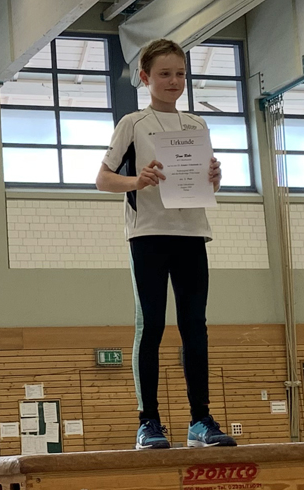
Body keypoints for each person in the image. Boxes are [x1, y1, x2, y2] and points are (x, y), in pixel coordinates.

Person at [95, 39, 235, 450]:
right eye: (164, 74)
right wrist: (137, 180)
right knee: (152, 324)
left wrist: (214, 177)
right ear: (145, 77)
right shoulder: (133, 123)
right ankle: (149, 422)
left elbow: (205, 185)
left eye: (180, 74)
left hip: (191, 234)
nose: (174, 81)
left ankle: (200, 420)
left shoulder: (196, 126)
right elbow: (103, 179)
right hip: (148, 234)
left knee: (195, 327)